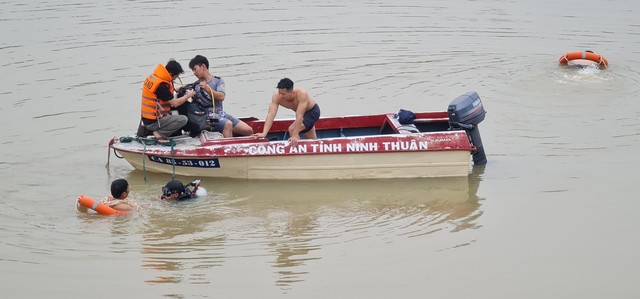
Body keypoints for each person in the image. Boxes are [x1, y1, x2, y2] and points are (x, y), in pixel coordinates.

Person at [188, 55, 253, 138]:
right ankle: (228, 146)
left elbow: (221, 97)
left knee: (248, 131)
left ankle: (226, 135)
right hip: (207, 117)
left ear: (203, 66)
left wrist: (207, 89)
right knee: (228, 124)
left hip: (220, 113)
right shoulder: (196, 86)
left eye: (195, 69)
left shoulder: (218, 81)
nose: (194, 73)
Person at [139, 59, 196, 143]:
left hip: (146, 119)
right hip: (153, 122)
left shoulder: (154, 78)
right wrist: (188, 95)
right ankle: (159, 133)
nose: (174, 80)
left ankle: (155, 130)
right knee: (183, 119)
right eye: (175, 77)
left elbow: (162, 94)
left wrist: (178, 89)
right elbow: (175, 103)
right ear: (170, 74)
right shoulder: (161, 86)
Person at [252, 78, 320, 146]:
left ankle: (296, 150)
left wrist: (295, 135)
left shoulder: (301, 94)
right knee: (313, 140)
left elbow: (299, 115)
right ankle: (318, 148)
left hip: (312, 112)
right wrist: (264, 133)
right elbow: (271, 114)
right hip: (303, 116)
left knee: (292, 129)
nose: (280, 96)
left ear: (291, 92)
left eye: (283, 94)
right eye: (279, 93)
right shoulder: (276, 97)